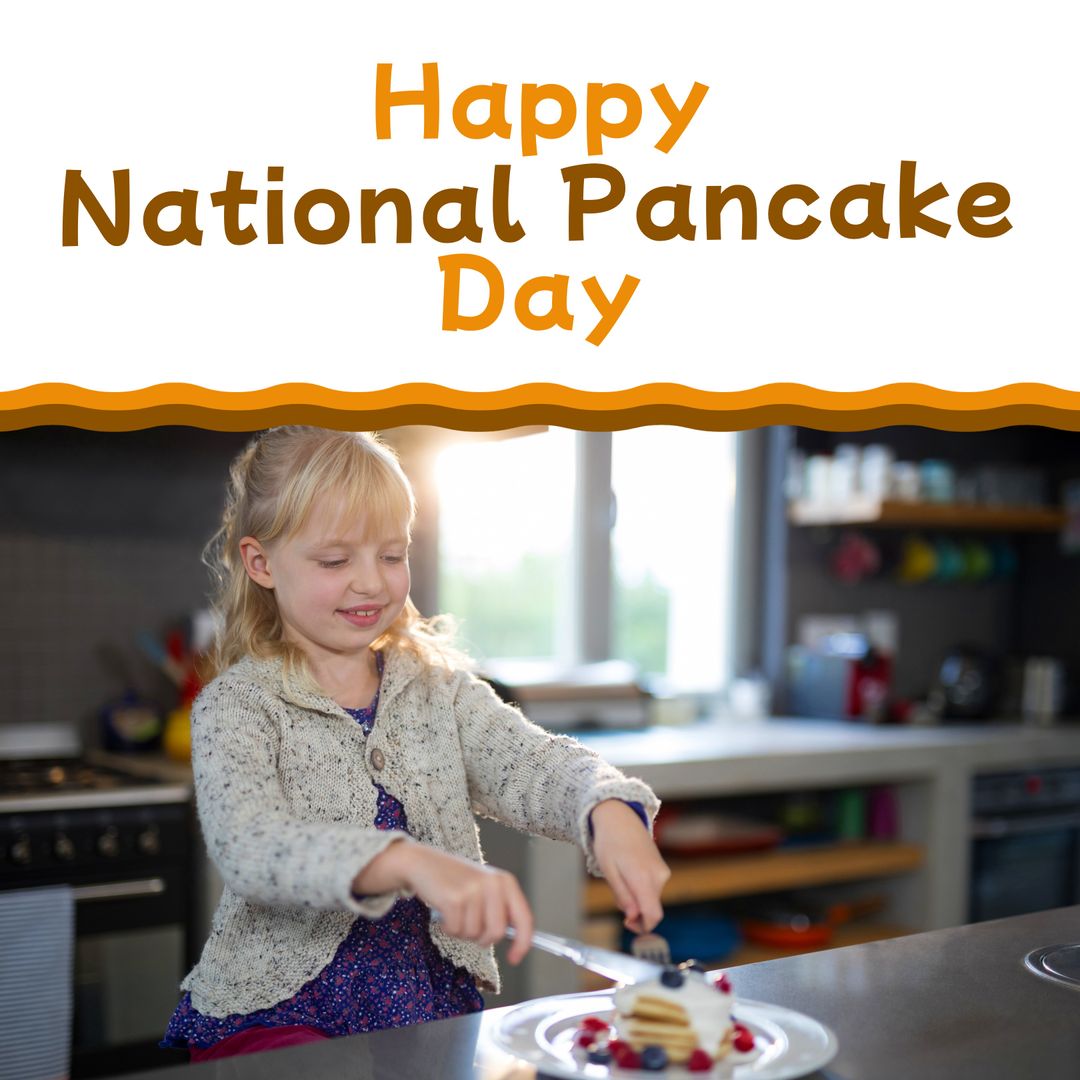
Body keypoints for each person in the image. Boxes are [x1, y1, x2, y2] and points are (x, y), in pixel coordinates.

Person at [161, 426, 669, 1060]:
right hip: (275, 1016)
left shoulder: (440, 693)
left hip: (429, 1010)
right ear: (261, 563)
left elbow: (533, 763)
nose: (371, 583)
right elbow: (253, 847)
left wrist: (605, 806)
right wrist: (409, 860)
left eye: (392, 554)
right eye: (335, 560)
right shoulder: (236, 706)